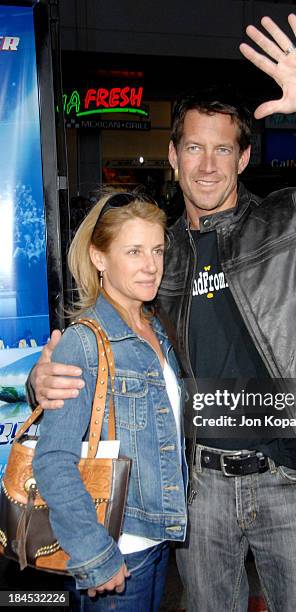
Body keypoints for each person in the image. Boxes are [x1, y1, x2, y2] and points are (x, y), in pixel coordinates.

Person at [28, 14, 296, 612]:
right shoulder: (161, 254)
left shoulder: (295, 221)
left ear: (242, 159)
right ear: (173, 155)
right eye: (193, 147)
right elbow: (108, 331)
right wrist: (46, 375)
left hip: (292, 478)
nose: (207, 165)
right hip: (197, 486)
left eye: (221, 150)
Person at [32, 192, 188, 611]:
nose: (151, 265)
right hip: (116, 550)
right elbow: (52, 460)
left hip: (156, 543)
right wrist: (95, 555)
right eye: (134, 251)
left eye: (156, 250)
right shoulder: (84, 342)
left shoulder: (155, 327)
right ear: (99, 258)